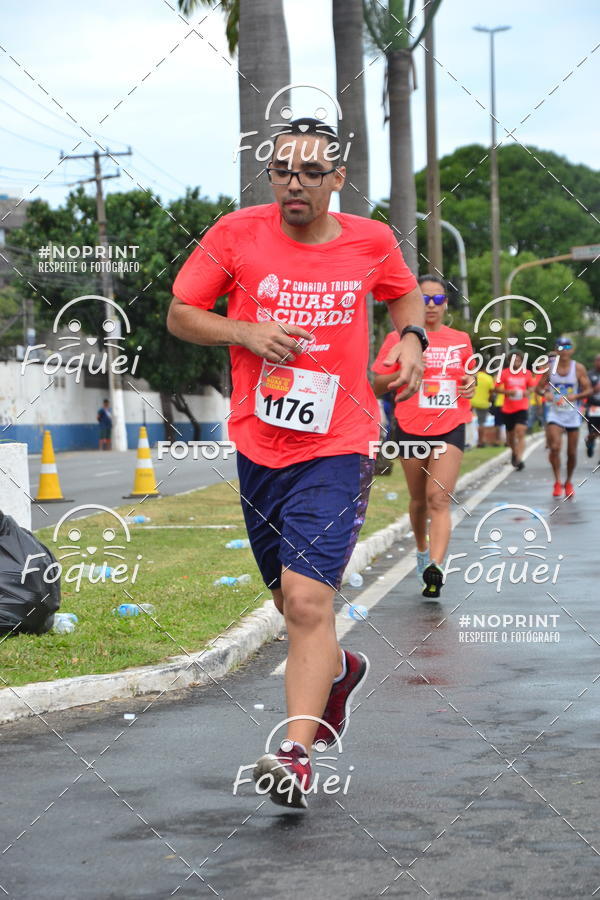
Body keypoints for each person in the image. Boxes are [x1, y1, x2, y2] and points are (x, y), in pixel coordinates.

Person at [167, 118, 426, 808]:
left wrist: (412, 339)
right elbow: (181, 313)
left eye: (311, 172)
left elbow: (402, 293)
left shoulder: (370, 241)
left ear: (337, 178)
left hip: (340, 444)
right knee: (288, 601)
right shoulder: (235, 235)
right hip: (260, 445)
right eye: (282, 170)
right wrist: (244, 331)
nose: (294, 183)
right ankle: (338, 670)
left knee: (309, 600)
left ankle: (295, 755)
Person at [372, 275, 475, 600]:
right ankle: (421, 550)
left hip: (450, 425)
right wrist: (404, 371)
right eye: (425, 299)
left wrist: (470, 384)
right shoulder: (398, 339)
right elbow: (376, 384)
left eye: (438, 299)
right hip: (411, 426)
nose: (431, 305)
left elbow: (468, 378)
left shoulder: (460, 340)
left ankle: (436, 566)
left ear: (446, 304)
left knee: (438, 499)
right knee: (418, 501)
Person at [536, 337, 591, 498]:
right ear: (556, 350)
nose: (564, 350)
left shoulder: (578, 368)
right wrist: (545, 393)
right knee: (555, 447)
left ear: (572, 350)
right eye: (560, 347)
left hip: (572, 414)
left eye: (567, 347)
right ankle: (557, 481)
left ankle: (568, 482)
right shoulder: (549, 368)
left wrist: (576, 396)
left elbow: (588, 389)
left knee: (571, 453)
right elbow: (538, 388)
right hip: (555, 413)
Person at [494, 350, 534, 471]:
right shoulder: (504, 373)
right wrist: (508, 392)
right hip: (508, 408)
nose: (516, 362)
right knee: (510, 436)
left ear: (521, 361)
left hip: (522, 407)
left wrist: (527, 392)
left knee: (520, 432)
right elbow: (496, 389)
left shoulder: (527, 373)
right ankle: (514, 452)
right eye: (513, 360)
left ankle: (519, 459)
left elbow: (532, 387)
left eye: (518, 360)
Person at [471, 369, 495, 447]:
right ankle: (480, 442)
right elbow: (491, 392)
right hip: (483, 403)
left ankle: (468, 442)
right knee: (481, 423)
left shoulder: (473, 376)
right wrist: (490, 400)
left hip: (471, 402)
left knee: (468, 422)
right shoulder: (488, 378)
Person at [585, 354, 600, 458]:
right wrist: (595, 390)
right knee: (593, 432)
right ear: (595, 362)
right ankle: (590, 441)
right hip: (593, 407)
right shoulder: (589, 375)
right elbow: (585, 391)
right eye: (598, 360)